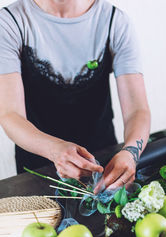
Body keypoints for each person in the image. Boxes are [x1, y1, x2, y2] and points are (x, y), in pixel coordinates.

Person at [0, 0, 150, 194]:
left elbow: (137, 110)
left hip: (104, 165)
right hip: (37, 170)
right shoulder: (10, 22)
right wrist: (54, 150)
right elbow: (10, 115)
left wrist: (130, 152)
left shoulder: (114, 21)